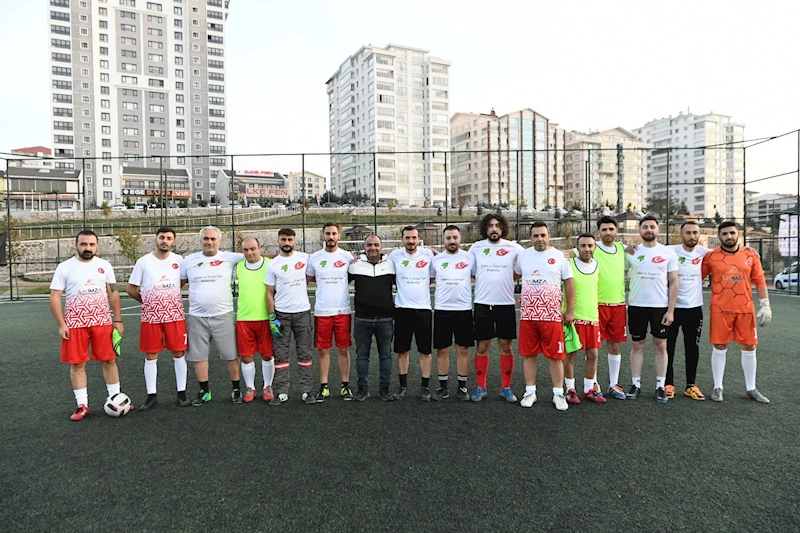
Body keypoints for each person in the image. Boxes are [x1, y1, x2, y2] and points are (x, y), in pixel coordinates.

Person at [49, 230, 130, 421]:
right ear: (76, 245)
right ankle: (82, 405)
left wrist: (117, 320)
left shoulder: (104, 265)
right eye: (84, 244)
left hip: (102, 323)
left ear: (97, 246)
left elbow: (113, 294)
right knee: (77, 364)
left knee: (109, 360)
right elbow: (54, 297)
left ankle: (115, 399)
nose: (88, 248)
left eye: (92, 244)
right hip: (75, 324)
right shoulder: (65, 267)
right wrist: (61, 324)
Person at [702, 221, 771, 403]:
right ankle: (718, 387)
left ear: (738, 234)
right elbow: (694, 276)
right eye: (724, 234)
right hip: (720, 309)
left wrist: (765, 305)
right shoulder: (711, 256)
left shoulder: (750, 255)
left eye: (732, 233)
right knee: (719, 346)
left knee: (749, 347)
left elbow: (759, 280)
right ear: (719, 237)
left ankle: (751, 388)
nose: (729, 236)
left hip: (745, 309)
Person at [180, 226, 245, 406]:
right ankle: (204, 391)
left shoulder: (230, 258)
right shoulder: (189, 261)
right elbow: (178, 282)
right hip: (197, 317)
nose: (209, 242)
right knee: (199, 356)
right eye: (206, 239)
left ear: (219, 241)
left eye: (213, 239)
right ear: (200, 240)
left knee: (231, 355)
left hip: (223, 315)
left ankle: (236, 389)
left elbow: (255, 257)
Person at [127, 227, 190, 410]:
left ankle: (181, 393)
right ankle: (151, 396)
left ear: (174, 241)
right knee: (151, 355)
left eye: (169, 238)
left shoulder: (179, 261)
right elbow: (131, 289)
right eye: (162, 237)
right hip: (151, 317)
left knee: (178, 353)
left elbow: (183, 281)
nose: (165, 241)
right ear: (156, 239)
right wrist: (147, 301)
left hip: (174, 315)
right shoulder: (144, 262)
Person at [515, 222, 575, 411]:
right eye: (535, 236)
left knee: (555, 356)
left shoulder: (559, 257)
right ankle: (530, 391)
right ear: (530, 238)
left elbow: (569, 284)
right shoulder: (523, 256)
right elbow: (514, 276)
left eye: (543, 235)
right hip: (528, 316)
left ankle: (558, 393)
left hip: (551, 316)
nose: (539, 239)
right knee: (528, 354)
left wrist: (570, 310)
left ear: (549, 236)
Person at [468, 213, 524, 402]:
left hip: (505, 305)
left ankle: (506, 387)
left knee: (506, 347)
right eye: (490, 225)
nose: (493, 229)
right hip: (483, 304)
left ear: (503, 229)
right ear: (485, 228)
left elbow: (530, 261)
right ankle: (481, 387)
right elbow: (467, 269)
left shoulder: (513, 247)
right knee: (482, 346)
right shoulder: (476, 248)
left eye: (497, 226)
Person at [625, 216, 679, 403]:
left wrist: (671, 310)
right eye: (645, 227)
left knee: (660, 345)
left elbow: (673, 282)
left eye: (652, 227)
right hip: (636, 306)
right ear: (639, 230)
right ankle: (635, 384)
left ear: (658, 229)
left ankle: (660, 385)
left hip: (660, 307)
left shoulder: (668, 253)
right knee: (637, 345)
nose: (649, 230)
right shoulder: (630, 252)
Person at [265, 228, 314, 405]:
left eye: (290, 240)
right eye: (284, 239)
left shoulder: (305, 259)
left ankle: (306, 392)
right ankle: (281, 392)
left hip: (302, 313)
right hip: (281, 315)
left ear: (295, 241)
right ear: (278, 241)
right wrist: (272, 317)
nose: (287, 243)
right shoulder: (273, 264)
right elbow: (269, 293)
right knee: (280, 355)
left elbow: (309, 278)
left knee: (305, 352)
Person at [306, 222, 354, 402]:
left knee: (343, 349)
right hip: (322, 311)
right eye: (328, 234)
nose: (331, 237)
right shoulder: (315, 258)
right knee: (323, 350)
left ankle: (345, 386)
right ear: (322, 235)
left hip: (343, 310)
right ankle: (324, 386)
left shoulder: (347, 256)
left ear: (339, 236)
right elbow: (308, 279)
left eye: (334, 234)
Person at [388, 226, 435, 400]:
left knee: (425, 352)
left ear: (418, 238)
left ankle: (425, 388)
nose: (411, 241)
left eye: (414, 238)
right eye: (407, 238)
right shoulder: (395, 256)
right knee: (403, 351)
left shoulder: (428, 255)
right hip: (402, 311)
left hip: (423, 310)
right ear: (402, 240)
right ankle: (402, 387)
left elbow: (431, 277)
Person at [429, 225, 475, 401]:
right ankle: (443, 388)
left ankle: (462, 388)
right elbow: (431, 278)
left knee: (463, 349)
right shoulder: (437, 259)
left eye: (455, 237)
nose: (452, 241)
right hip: (442, 310)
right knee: (443, 350)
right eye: (448, 238)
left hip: (464, 310)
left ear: (460, 238)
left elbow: (478, 276)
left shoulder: (469, 258)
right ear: (444, 240)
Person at [348, 234, 396, 402]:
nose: (373, 248)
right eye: (369, 245)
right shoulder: (354, 265)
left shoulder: (391, 264)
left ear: (381, 247)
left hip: (386, 319)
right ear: (364, 247)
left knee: (386, 355)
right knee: (362, 356)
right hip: (362, 319)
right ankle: (362, 389)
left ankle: (385, 389)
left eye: (376, 245)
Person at [563, 234, 607, 405]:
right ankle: (570, 390)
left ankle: (589, 389)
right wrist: (568, 311)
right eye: (583, 246)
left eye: (590, 245)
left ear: (594, 247)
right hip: (573, 318)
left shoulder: (597, 265)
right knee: (571, 354)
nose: (587, 249)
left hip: (592, 317)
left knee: (593, 354)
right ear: (577, 248)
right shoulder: (568, 265)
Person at [666, 221, 707, 400]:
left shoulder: (704, 253)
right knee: (669, 347)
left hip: (694, 309)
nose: (692, 236)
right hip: (672, 309)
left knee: (693, 348)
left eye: (695, 233)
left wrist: (748, 250)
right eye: (688, 233)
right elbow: (648, 249)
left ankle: (691, 385)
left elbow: (727, 253)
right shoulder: (670, 251)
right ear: (681, 235)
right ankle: (668, 383)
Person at [234, 237, 274, 403]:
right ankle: (250, 387)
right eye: (245, 250)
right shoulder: (237, 267)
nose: (249, 253)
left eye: (252, 249)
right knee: (247, 356)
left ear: (260, 248)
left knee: (267, 355)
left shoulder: (270, 264)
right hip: (244, 318)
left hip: (265, 317)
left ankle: (268, 386)